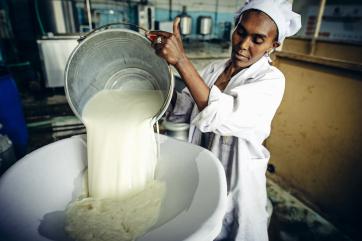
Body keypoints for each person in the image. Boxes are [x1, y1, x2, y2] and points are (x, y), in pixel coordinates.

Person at [147, 0, 301, 240]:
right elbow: (184, 110)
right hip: (203, 172)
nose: (243, 44)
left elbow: (219, 115)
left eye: (257, 39)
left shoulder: (271, 81)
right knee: (201, 226)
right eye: (240, 32)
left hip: (239, 185)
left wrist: (182, 61)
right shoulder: (213, 69)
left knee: (233, 231)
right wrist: (152, 79)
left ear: (274, 44)